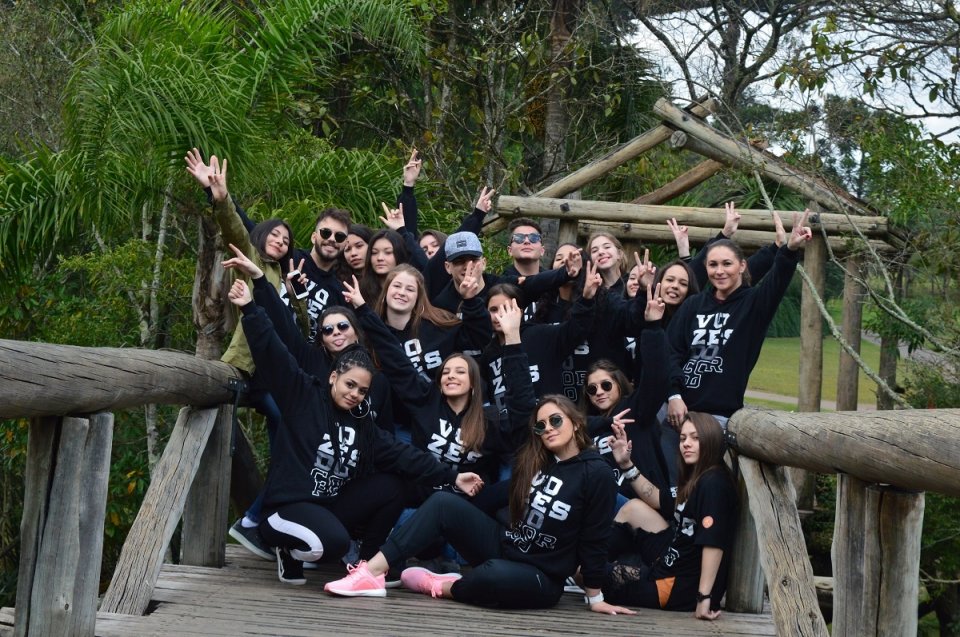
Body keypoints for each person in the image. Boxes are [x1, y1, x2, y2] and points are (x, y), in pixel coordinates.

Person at [227, 278, 483, 585]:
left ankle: (368, 563)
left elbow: (402, 453)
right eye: (350, 385)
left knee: (393, 485)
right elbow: (274, 351)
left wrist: (453, 477)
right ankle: (286, 546)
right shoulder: (304, 397)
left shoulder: (361, 423)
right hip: (289, 506)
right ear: (333, 377)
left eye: (362, 390)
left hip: (328, 503)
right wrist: (250, 307)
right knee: (331, 544)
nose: (355, 394)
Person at [322, 395, 634, 617]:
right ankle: (371, 573)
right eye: (540, 426)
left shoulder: (598, 474)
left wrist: (595, 597)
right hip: (505, 546)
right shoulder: (540, 463)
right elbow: (491, 499)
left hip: (541, 576)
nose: (548, 429)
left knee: (493, 575)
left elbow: (594, 539)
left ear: (577, 424)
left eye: (555, 420)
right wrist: (461, 491)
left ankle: (442, 586)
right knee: (444, 503)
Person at [220, 245, 395, 559]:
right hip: (310, 475)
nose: (336, 333)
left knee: (386, 482)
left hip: (352, 469)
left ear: (356, 331)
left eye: (343, 326)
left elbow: (385, 431)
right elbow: (281, 331)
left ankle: (357, 548)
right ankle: (278, 530)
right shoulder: (311, 363)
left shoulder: (377, 379)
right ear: (322, 339)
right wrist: (260, 280)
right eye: (328, 330)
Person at [665, 211, 813, 429]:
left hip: (718, 416)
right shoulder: (693, 305)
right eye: (713, 265)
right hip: (676, 407)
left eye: (727, 264)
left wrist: (789, 250)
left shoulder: (754, 305)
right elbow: (670, 352)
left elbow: (777, 280)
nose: (719, 271)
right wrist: (673, 395)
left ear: (742, 266)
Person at [603, 413, 738, 619]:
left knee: (587, 573)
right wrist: (626, 464)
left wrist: (703, 599)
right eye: (683, 438)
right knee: (634, 508)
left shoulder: (713, 484)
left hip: (678, 585)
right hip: (673, 555)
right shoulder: (699, 475)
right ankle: (595, 556)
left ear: (711, 440)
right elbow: (658, 499)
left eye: (695, 438)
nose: (687, 444)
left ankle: (591, 562)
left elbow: (713, 543)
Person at [583, 283, 673, 510]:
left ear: (619, 384)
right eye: (592, 389)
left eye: (605, 385)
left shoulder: (636, 409)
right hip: (600, 506)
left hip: (640, 502)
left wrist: (653, 327)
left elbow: (657, 377)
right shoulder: (588, 424)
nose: (599, 392)